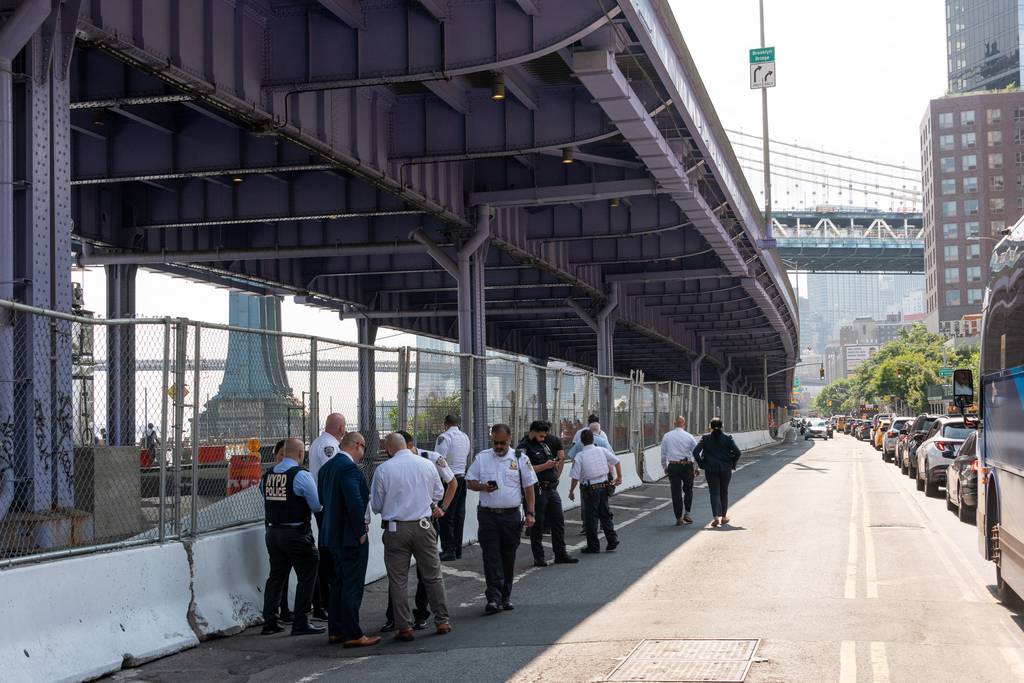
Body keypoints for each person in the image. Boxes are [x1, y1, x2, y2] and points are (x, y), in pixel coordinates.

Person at [370, 432, 451, 642]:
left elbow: (376, 506)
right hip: (424, 525)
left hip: (396, 529)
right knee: (433, 575)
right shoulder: (426, 465)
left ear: (388, 449)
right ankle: (442, 620)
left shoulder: (383, 469)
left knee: (398, 580)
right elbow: (438, 494)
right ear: (407, 445)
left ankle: (404, 627)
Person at [466, 423, 538, 614]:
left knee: (508, 557)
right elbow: (469, 482)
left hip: (511, 516)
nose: (498, 446)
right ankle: (493, 598)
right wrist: (483, 487)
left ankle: (505, 596)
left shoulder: (520, 459)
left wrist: (530, 513)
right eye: (495, 443)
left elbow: (529, 488)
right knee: (490, 557)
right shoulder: (482, 458)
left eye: (502, 443)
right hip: (488, 516)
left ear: (510, 439)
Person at [317, 431, 380, 648]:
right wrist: (360, 532)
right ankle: (353, 633)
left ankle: (336, 630)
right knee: (352, 585)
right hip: (350, 537)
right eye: (362, 449)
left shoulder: (326, 469)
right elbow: (355, 503)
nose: (362, 455)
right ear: (358, 445)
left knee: (337, 583)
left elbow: (322, 499)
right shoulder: (350, 469)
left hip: (330, 535)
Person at [259, 438, 325, 636]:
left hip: (272, 532)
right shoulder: (301, 475)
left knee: (276, 576)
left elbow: (265, 495)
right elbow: (316, 505)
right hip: (295, 533)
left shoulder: (268, 475)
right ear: (300, 454)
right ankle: (301, 621)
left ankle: (270, 621)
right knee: (307, 573)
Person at [517, 420, 578, 567]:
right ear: (532, 432)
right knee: (536, 527)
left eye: (545, 436)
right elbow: (523, 470)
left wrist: (554, 467)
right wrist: (545, 466)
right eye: (541, 436)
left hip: (551, 489)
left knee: (558, 522)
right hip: (537, 491)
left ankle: (560, 554)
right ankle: (539, 557)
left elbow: (556, 459)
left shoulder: (543, 445)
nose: (544, 438)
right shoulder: (523, 447)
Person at [308, 413, 346, 620]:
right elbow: (334, 474)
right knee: (329, 554)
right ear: (341, 428)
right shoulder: (329, 446)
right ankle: (325, 601)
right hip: (328, 506)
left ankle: (326, 601)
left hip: (324, 505)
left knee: (328, 553)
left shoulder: (321, 442)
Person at [568, 429, 620, 553]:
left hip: (590, 490)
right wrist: (620, 477)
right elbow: (617, 461)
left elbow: (575, 477)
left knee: (591, 518)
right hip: (604, 487)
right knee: (605, 515)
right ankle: (612, 540)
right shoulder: (602, 450)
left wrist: (571, 491)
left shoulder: (579, 456)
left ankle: (593, 546)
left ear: (581, 441)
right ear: (593, 439)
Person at [693, 417, 742, 528]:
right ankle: (724, 517)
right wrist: (732, 463)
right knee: (724, 492)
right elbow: (738, 453)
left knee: (714, 493)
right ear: (722, 426)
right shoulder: (728, 438)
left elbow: (695, 452)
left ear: (710, 427)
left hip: (710, 469)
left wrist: (702, 465)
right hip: (725, 469)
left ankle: (715, 517)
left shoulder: (705, 438)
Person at [435, 414, 471, 560]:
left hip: (449, 480)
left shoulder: (444, 437)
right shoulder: (465, 437)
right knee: (459, 515)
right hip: (462, 478)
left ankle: (448, 549)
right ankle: (457, 549)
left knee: (445, 515)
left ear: (445, 424)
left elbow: (439, 460)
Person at [661, 416, 700, 526]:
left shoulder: (667, 436)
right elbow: (696, 452)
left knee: (676, 492)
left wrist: (665, 467)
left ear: (674, 423)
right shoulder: (689, 436)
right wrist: (696, 467)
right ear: (684, 423)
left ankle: (678, 518)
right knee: (688, 490)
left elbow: (663, 454)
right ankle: (687, 513)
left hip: (673, 466)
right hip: (687, 466)